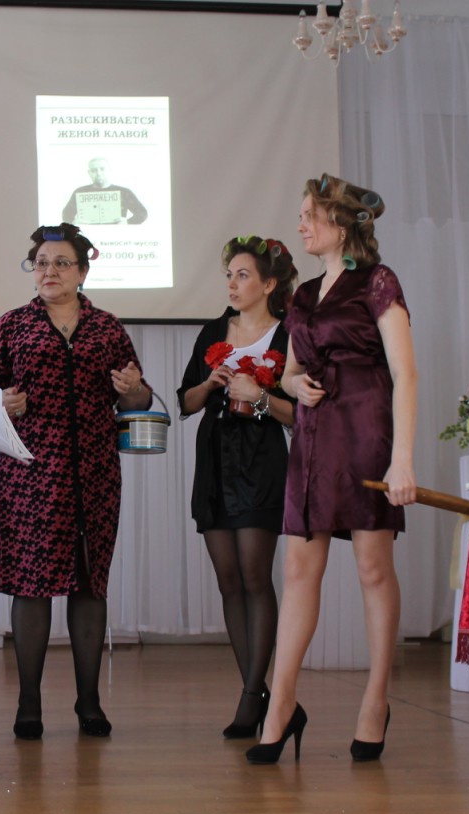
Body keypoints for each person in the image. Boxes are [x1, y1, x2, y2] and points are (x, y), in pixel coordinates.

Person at [247, 174, 417, 766]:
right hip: (314, 440)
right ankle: (281, 706)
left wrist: (402, 459)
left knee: (372, 568)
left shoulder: (378, 281)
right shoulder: (302, 295)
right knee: (297, 570)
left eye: (308, 215)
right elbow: (290, 371)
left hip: (367, 432)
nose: (299, 225)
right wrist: (296, 386)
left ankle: (376, 700)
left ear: (340, 225)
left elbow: (405, 373)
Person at [0, 223, 152, 740]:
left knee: (90, 584)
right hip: (30, 473)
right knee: (31, 586)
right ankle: (29, 703)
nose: (49, 271)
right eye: (41, 263)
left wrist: (133, 388)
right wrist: (1, 402)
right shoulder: (13, 325)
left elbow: (138, 400)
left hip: (95, 473)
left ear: (83, 271)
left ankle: (88, 701)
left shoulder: (107, 328)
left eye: (61, 263)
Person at [177, 235, 297, 739]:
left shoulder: (289, 335)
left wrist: (259, 397)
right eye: (229, 275)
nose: (232, 283)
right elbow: (186, 403)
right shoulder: (213, 330)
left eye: (243, 275)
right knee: (227, 580)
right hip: (216, 459)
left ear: (268, 284)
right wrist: (210, 384)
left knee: (254, 576)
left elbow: (300, 415)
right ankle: (259, 692)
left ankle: (252, 696)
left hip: (261, 460)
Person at [62, 157, 148, 225]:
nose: (98, 173)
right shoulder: (80, 192)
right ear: (89, 173)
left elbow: (142, 213)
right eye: (94, 170)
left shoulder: (124, 192)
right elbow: (66, 214)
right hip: (88, 236)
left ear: (109, 170)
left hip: (116, 236)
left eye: (102, 169)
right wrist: (73, 223)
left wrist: (128, 222)